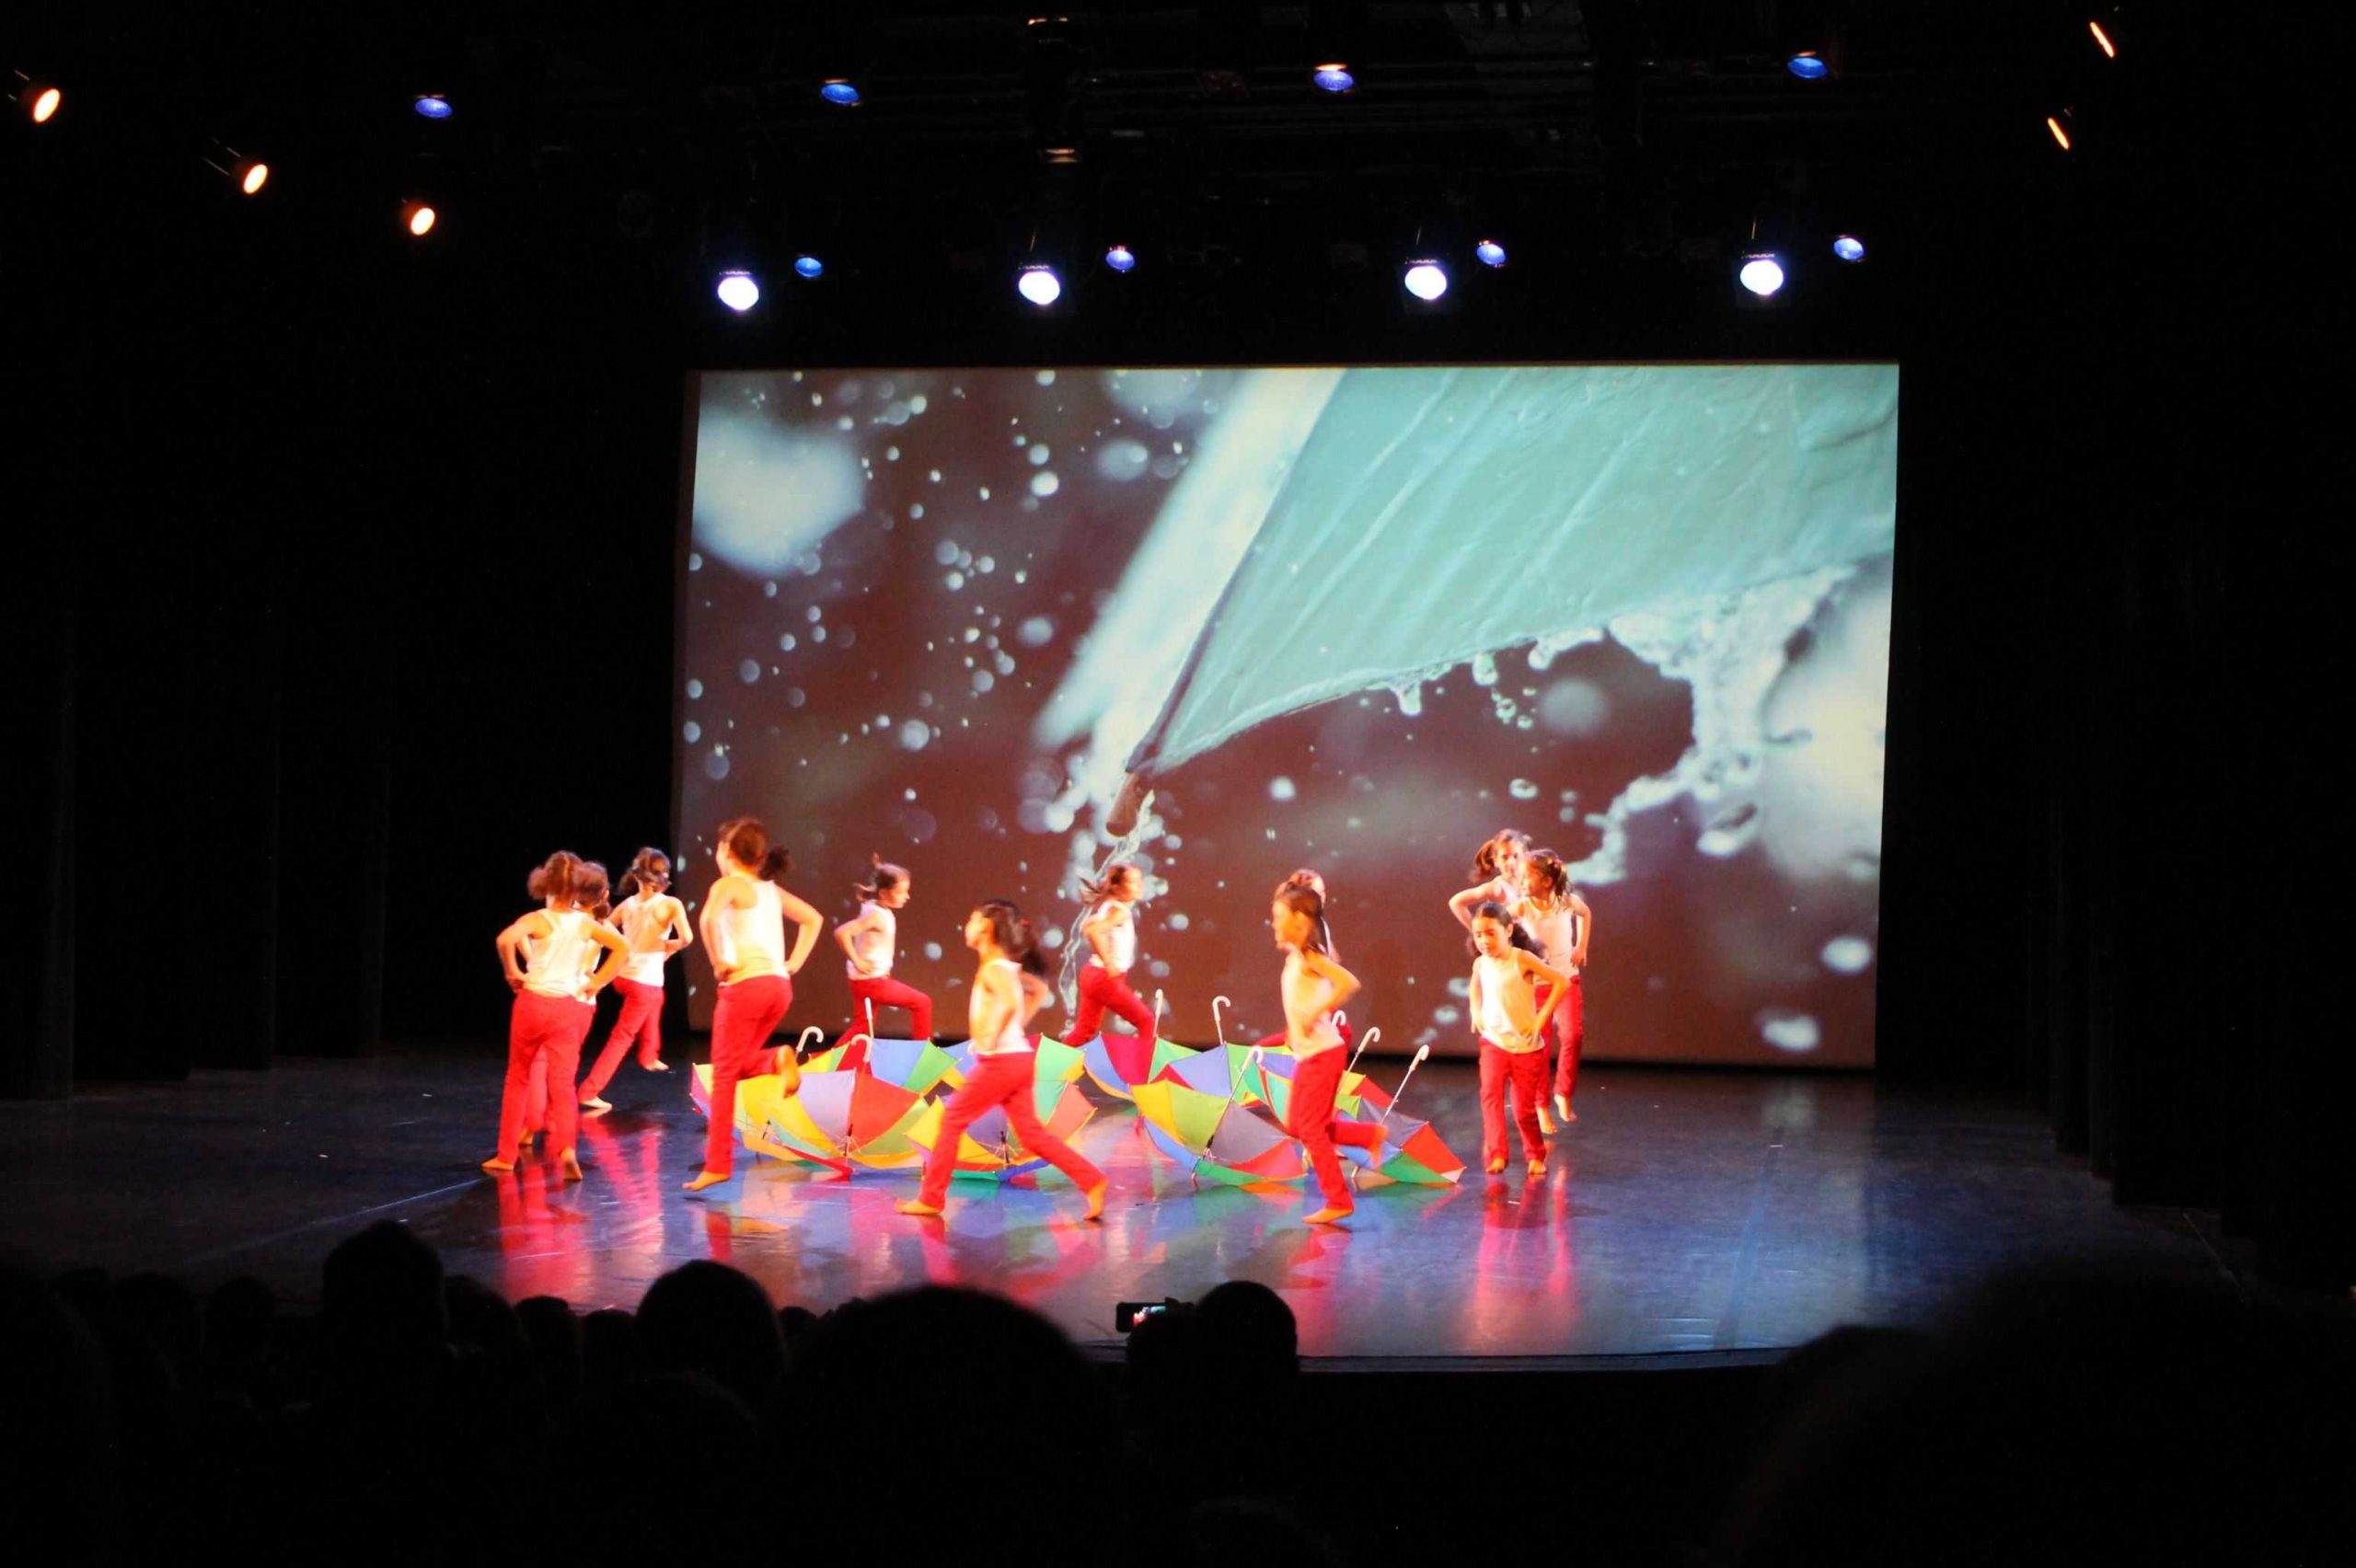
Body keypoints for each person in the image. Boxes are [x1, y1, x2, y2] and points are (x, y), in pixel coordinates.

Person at [900, 900, 1107, 1220]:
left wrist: (992, 1037)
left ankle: (931, 1198)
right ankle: (1092, 1180)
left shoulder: (994, 969)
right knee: (1031, 1135)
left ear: (986, 927)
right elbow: (1037, 991)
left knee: (952, 1120)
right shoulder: (1006, 968)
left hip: (1001, 1063)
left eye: (972, 919)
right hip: (1018, 1059)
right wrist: (1012, 1029)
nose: (967, 926)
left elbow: (1011, 1002)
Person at [685, 819, 823, 1194]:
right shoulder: (770, 890)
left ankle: (717, 1165)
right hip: (778, 988)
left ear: (727, 852)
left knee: (724, 1076)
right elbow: (813, 919)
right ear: (760, 857)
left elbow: (708, 918)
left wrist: (718, 961)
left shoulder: (729, 884)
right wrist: (793, 963)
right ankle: (777, 1057)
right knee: (735, 1065)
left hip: (745, 988)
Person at [487, 853, 630, 1181]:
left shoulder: (538, 919)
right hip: (567, 1009)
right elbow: (622, 948)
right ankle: (567, 1149)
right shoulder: (585, 924)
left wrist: (512, 971)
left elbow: (504, 939)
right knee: (563, 1084)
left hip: (532, 1004)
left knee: (518, 1077)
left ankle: (506, 1156)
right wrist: (598, 982)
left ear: (545, 883)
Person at [1270, 881, 1385, 1226]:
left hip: (1324, 1054)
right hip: (1309, 1055)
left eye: (1279, 917)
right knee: (1296, 1125)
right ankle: (1367, 1135)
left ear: (1299, 921)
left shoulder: (1310, 956)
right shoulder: (1296, 956)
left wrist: (1314, 1013)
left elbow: (1349, 982)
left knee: (1311, 1129)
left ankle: (1338, 1200)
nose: (1274, 924)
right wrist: (1295, 1026)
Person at [577, 847, 691, 1113]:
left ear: (637, 875)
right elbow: (687, 938)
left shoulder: (627, 904)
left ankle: (649, 1054)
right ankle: (589, 1091)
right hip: (643, 982)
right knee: (622, 1037)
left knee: (657, 997)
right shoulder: (670, 904)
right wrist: (668, 946)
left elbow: (601, 929)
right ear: (663, 876)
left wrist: (592, 968)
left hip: (623, 977)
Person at [1467, 900, 1568, 1176]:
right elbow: (1475, 986)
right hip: (1493, 1044)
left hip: (1526, 1049)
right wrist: (1475, 1010)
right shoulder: (1480, 963)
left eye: (1491, 933)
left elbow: (1561, 981)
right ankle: (1497, 1154)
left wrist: (1540, 1018)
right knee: (1490, 1099)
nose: (1484, 941)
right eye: (1478, 934)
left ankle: (1535, 1155)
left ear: (1508, 930)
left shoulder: (1521, 959)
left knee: (1523, 1109)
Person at [1514, 847, 1592, 1125]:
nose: (1521, 882)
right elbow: (1503, 922)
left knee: (1573, 1036)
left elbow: (1585, 913)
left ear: (1547, 881)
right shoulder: (1523, 907)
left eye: (1527, 877)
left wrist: (1581, 946)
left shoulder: (1566, 902)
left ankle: (1563, 1093)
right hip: (1536, 986)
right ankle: (1541, 1105)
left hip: (1567, 980)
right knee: (1540, 1046)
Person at [834, 855, 932, 1043]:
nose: (907, 896)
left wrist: (879, 867)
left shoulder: (873, 906)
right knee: (922, 1003)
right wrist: (857, 961)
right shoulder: (876, 916)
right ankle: (924, 1055)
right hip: (872, 982)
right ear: (884, 894)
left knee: (862, 1029)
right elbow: (842, 932)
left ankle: (834, 1059)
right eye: (901, 892)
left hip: (863, 980)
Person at [1061, 861, 1160, 1048]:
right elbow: (1093, 931)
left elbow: (1088, 926)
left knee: (1083, 1030)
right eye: (1133, 882)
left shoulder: (1109, 907)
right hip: (1104, 977)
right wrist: (1108, 962)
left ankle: (1051, 1065)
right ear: (1117, 887)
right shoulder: (1119, 912)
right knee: (1147, 1022)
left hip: (1092, 974)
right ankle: (1144, 1066)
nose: (1140, 886)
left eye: (1140, 881)